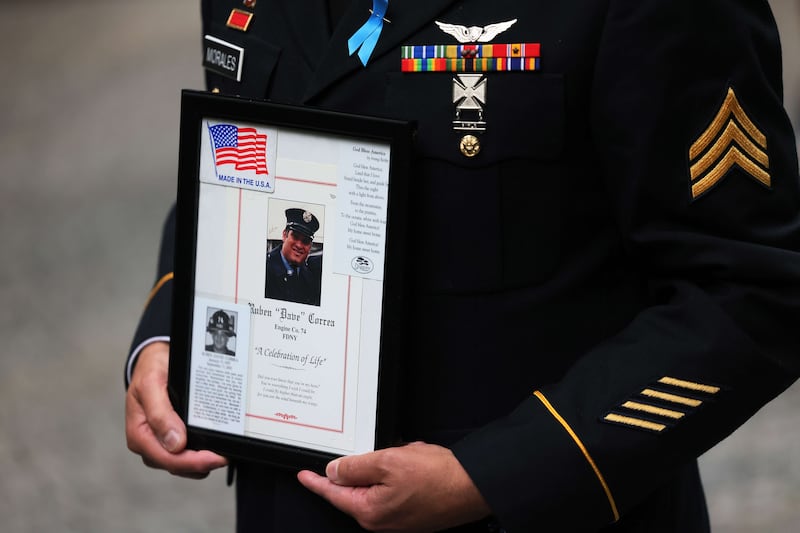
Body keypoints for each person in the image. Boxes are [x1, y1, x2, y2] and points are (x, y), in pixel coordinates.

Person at [125, 1, 800, 531]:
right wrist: (170, 329)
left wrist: (494, 476)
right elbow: (245, 155)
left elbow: (752, 288)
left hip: (537, 512)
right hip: (286, 505)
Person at [265, 208, 323, 306]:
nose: (299, 245)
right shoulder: (265, 269)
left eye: (305, 241)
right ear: (284, 235)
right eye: (295, 237)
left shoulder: (311, 276)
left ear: (310, 246)